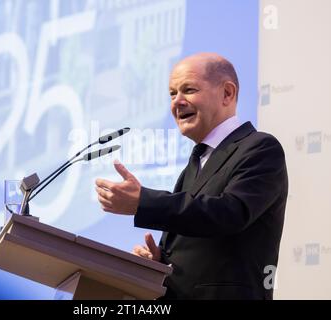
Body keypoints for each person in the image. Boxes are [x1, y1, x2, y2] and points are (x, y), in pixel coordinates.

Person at [95, 52, 288, 300]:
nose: (177, 102)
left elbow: (229, 213)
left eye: (188, 90)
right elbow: (196, 233)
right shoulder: (195, 164)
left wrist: (143, 202)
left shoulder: (260, 148)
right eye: (172, 94)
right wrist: (159, 262)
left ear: (227, 94)